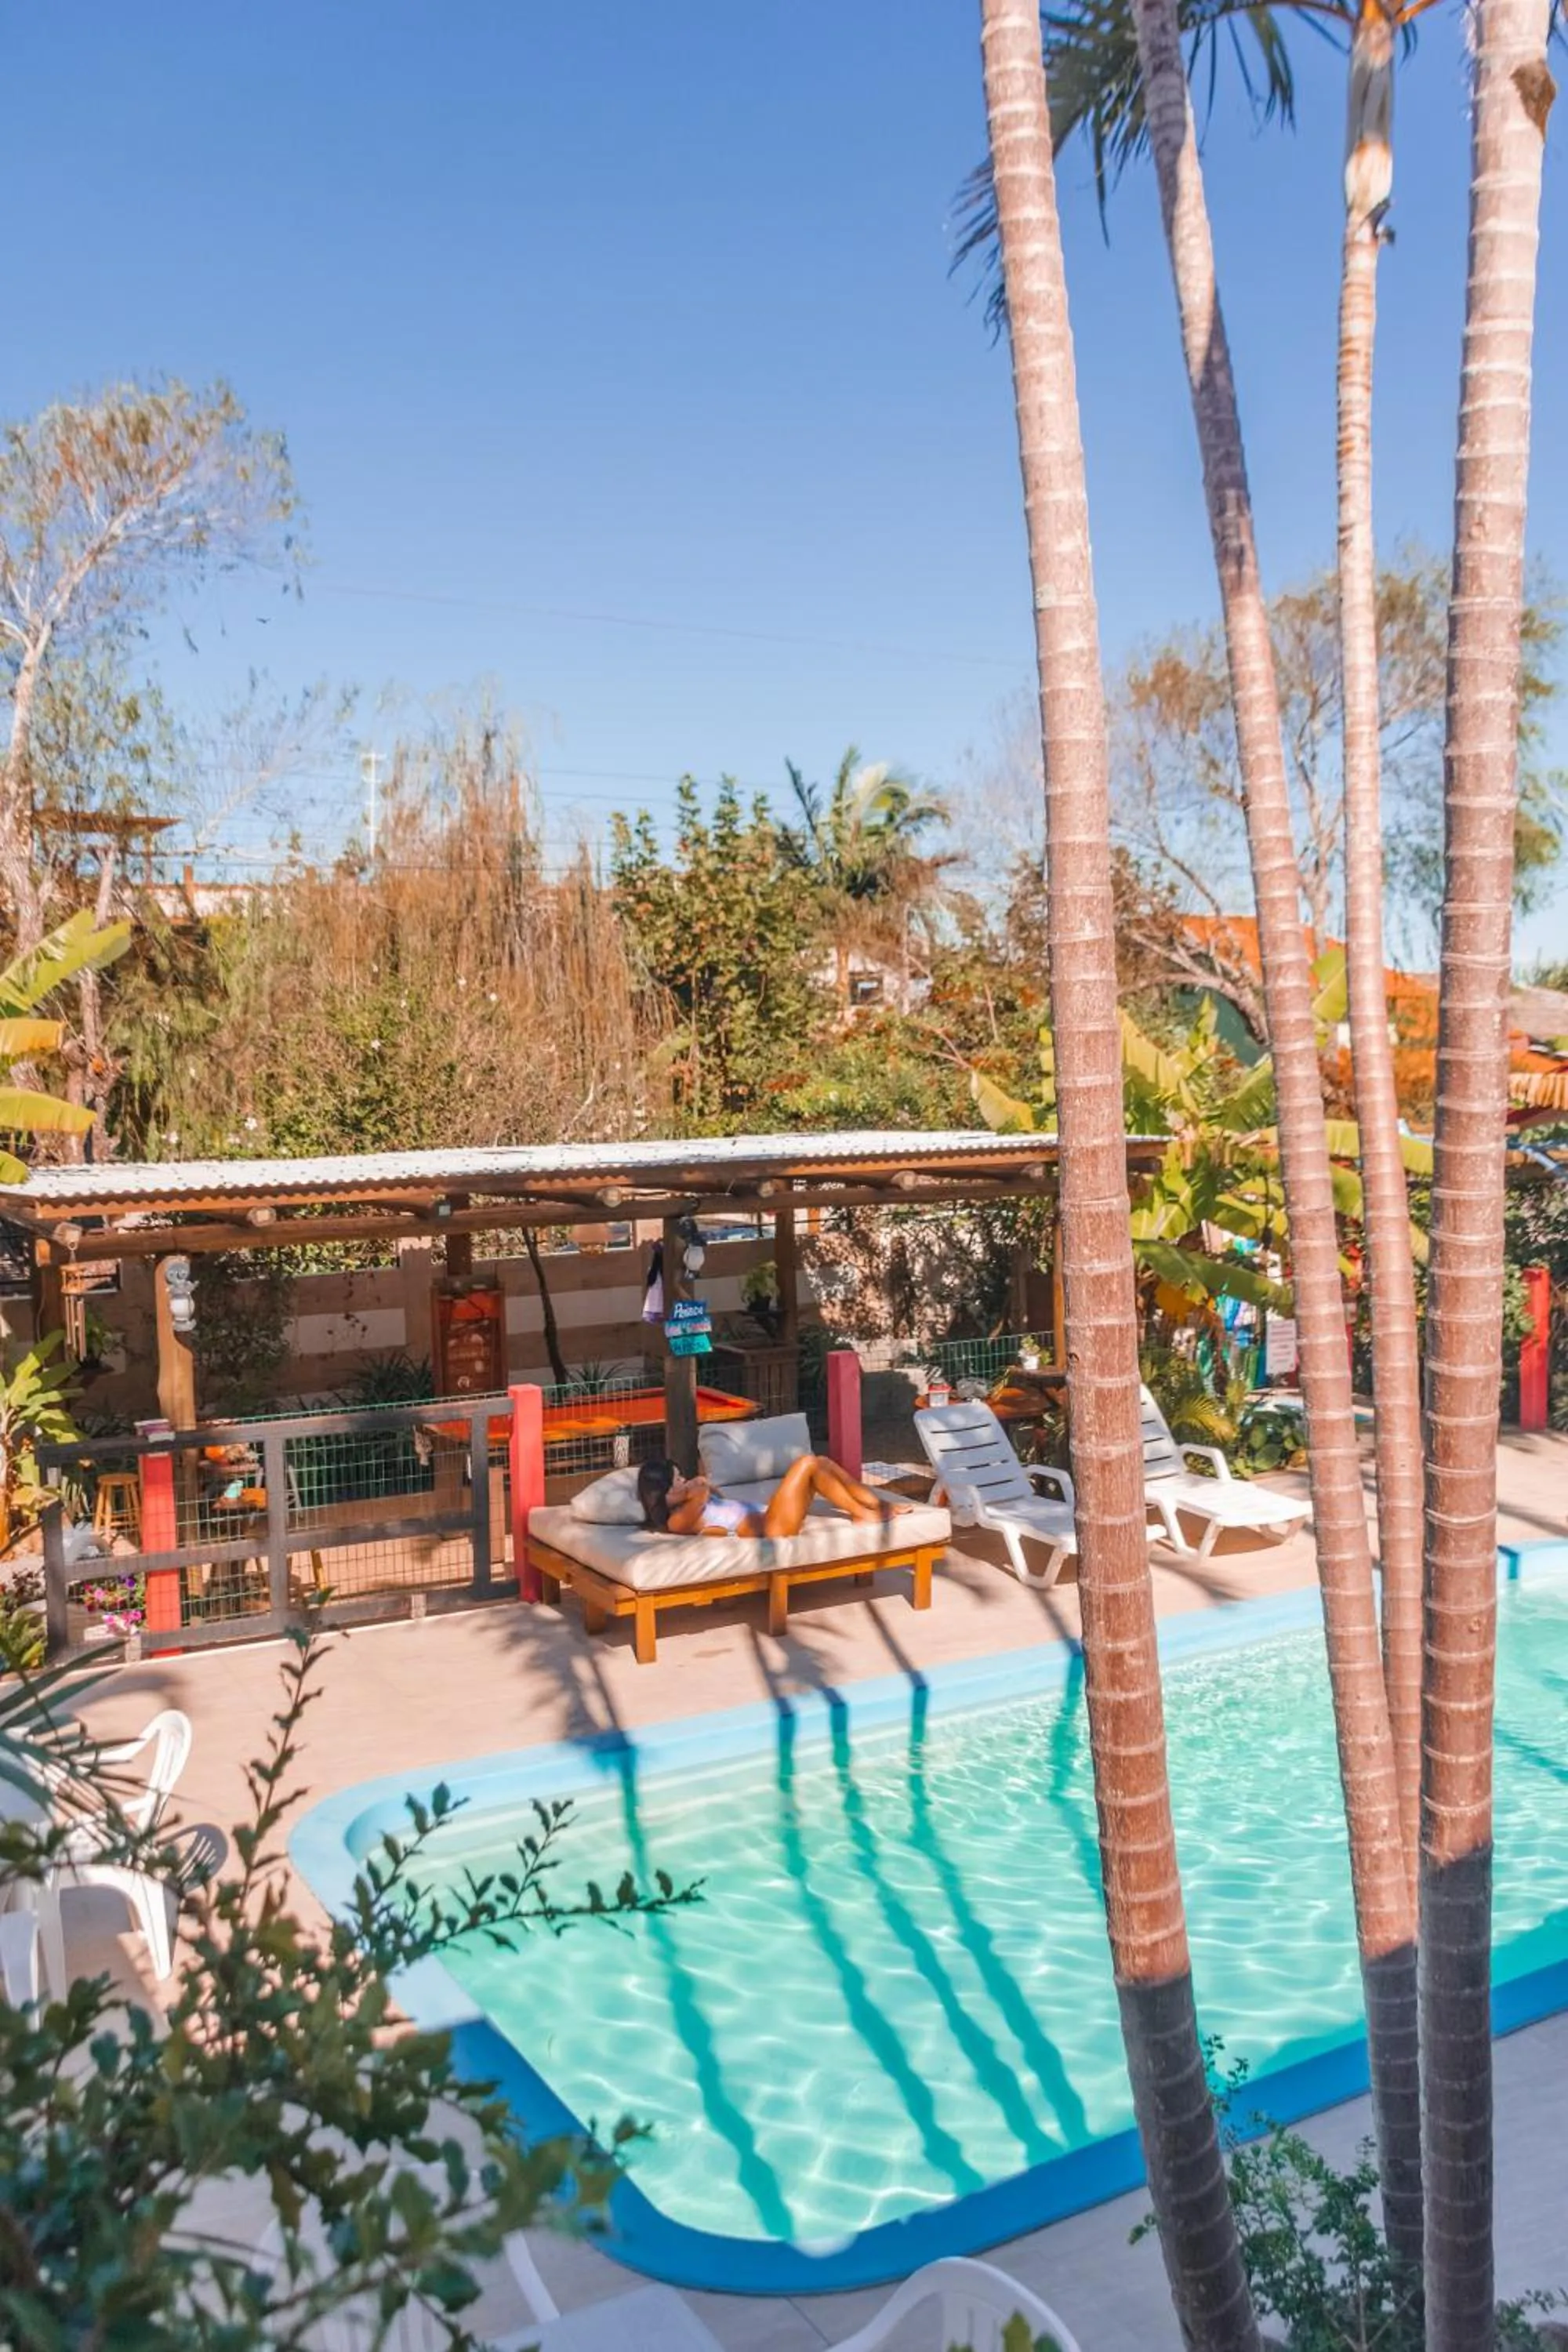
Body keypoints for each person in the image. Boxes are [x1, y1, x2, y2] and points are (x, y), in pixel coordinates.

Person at [636, 1451, 907, 1539]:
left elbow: (710, 1491)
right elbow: (702, 1491)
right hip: (771, 1529)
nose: (684, 1482)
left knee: (821, 1462)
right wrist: (695, 1486)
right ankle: (863, 1514)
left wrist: (696, 1486)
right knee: (807, 1463)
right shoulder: (676, 1520)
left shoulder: (692, 1499)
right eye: (677, 1480)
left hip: (772, 1517)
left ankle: (875, 1504)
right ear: (662, 1492)